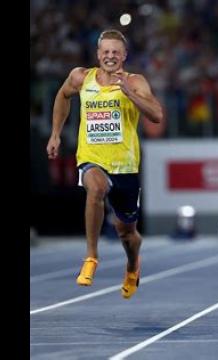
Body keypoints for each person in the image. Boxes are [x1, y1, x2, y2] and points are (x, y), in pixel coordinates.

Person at [46, 29, 164, 299]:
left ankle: (133, 264)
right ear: (98, 54)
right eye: (106, 52)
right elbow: (62, 96)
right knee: (96, 189)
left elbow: (157, 115)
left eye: (115, 52)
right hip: (91, 158)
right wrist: (55, 134)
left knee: (127, 234)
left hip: (125, 166)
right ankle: (91, 257)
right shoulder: (80, 77)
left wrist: (130, 94)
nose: (110, 56)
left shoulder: (135, 81)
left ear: (124, 56)